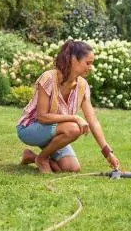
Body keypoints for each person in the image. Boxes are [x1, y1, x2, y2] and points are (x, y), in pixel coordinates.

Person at [16, 40, 120, 173]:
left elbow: (93, 122)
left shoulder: (82, 86)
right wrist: (75, 118)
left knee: (72, 168)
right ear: (73, 60)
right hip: (30, 128)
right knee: (74, 128)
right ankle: (42, 158)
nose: (90, 67)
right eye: (87, 63)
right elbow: (42, 117)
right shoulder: (48, 78)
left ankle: (31, 156)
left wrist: (108, 153)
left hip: (55, 132)